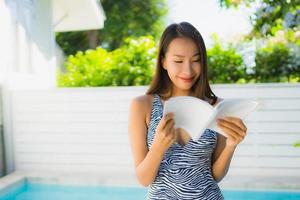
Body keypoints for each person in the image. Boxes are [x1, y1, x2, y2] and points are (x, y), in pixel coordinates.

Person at [128, 22, 247, 200]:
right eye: (178, 61)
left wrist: (231, 146)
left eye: (196, 60)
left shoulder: (217, 107)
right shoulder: (142, 106)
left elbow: (215, 176)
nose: (188, 70)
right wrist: (159, 147)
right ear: (163, 61)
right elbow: (144, 179)